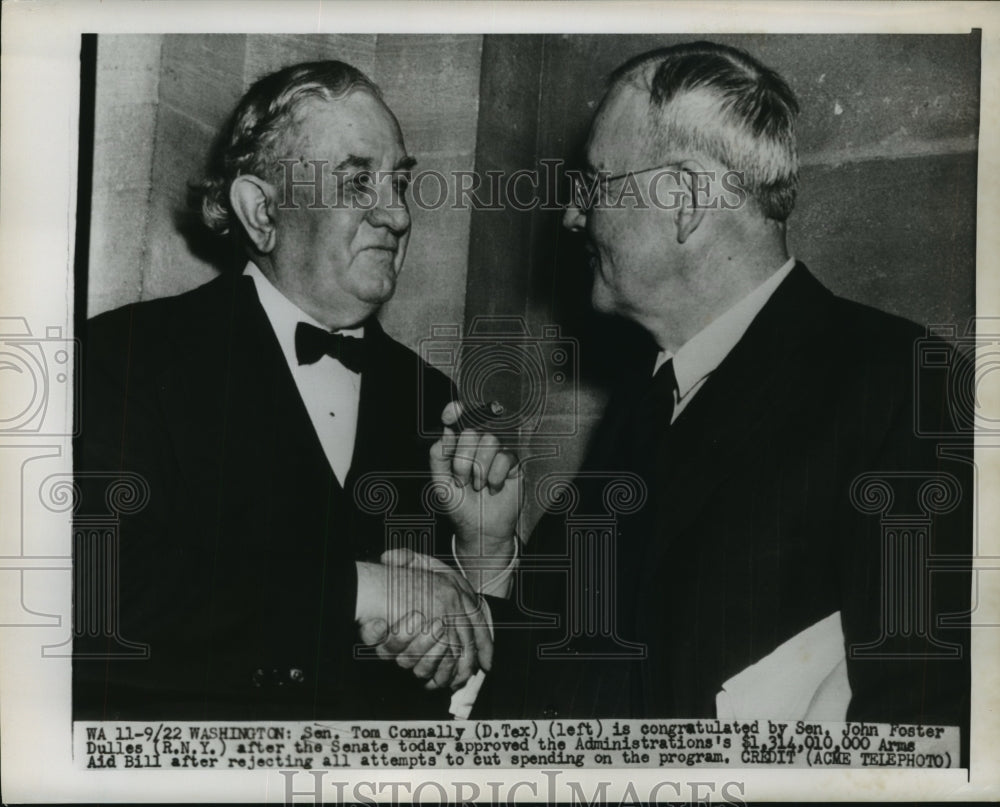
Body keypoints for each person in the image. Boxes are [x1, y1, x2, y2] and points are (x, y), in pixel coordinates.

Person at [373, 41, 972, 745]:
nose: (572, 216)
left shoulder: (899, 384)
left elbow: (921, 724)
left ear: (683, 201)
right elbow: (574, 672)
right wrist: (490, 552)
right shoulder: (643, 407)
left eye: (594, 183)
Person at [72, 60, 516, 720]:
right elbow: (95, 598)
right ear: (262, 211)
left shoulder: (433, 398)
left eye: (399, 182)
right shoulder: (126, 357)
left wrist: (484, 553)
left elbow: (477, 683)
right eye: (358, 181)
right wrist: (362, 590)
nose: (397, 214)